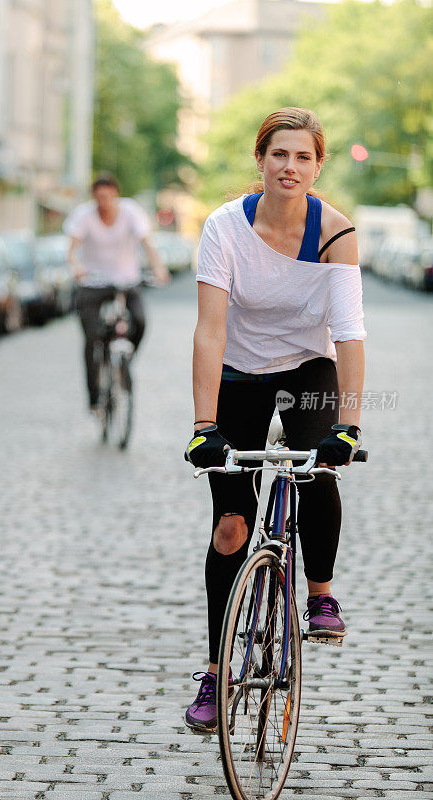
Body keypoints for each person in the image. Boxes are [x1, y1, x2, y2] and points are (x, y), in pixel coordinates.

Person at [183, 107, 366, 732]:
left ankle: (319, 592)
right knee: (230, 529)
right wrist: (205, 426)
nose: (290, 167)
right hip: (238, 373)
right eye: (279, 154)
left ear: (319, 166)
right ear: (260, 160)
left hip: (307, 369)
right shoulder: (223, 228)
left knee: (318, 466)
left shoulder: (336, 233)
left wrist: (351, 425)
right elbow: (210, 329)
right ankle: (215, 672)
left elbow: (349, 335)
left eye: (304, 157)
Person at [64, 175, 169, 411]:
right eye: (99, 197)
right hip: (93, 283)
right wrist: (76, 267)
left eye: (109, 196)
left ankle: (124, 361)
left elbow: (147, 243)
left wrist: (158, 268)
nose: (104, 201)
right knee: (91, 339)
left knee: (140, 321)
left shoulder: (130, 211)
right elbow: (71, 249)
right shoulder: (84, 215)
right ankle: (94, 398)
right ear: (94, 197)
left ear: (116, 195)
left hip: (126, 281)